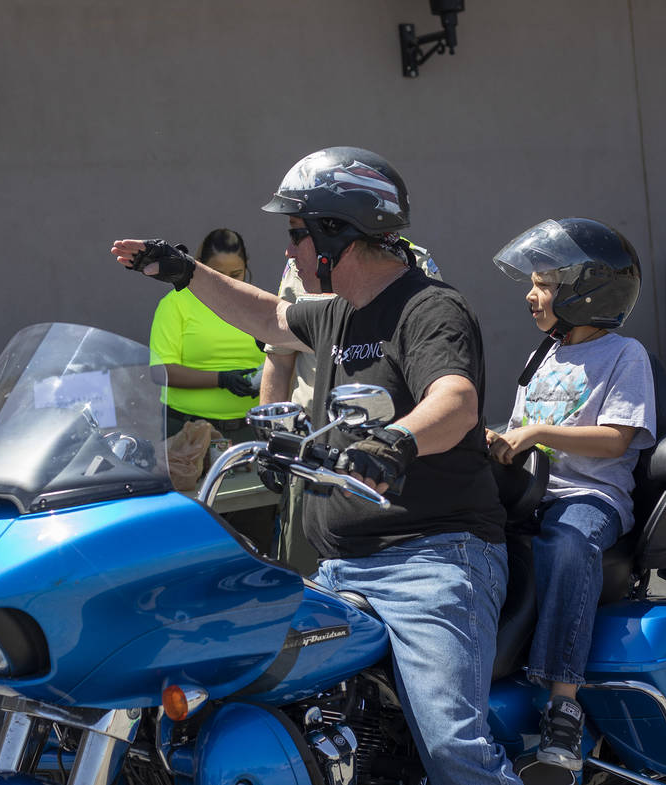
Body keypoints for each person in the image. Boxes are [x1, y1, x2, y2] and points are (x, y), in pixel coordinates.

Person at [113, 146, 518, 785]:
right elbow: (269, 317)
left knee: (451, 748)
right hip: (338, 566)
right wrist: (184, 271)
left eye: (297, 234)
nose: (289, 252)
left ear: (338, 233)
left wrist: (397, 441)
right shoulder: (334, 314)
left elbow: (455, 401)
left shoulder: (428, 307)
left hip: (434, 559)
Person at [484, 218, 656, 771]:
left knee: (565, 543)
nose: (533, 297)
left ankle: (563, 704)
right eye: (532, 284)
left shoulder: (624, 355)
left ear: (586, 292)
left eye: (544, 285)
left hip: (591, 497)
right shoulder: (544, 354)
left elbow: (616, 440)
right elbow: (519, 430)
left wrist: (537, 434)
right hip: (533, 492)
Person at [260, 240, 442, 575]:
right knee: (302, 580)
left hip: (381, 454)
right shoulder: (301, 264)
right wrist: (275, 437)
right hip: (311, 449)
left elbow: (431, 361)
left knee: (386, 576)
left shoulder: (414, 260)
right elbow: (279, 358)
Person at [149, 227, 272, 550]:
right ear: (199, 268)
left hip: (247, 434)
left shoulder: (257, 302)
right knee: (193, 530)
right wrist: (222, 379)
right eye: (216, 274)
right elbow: (160, 371)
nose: (228, 282)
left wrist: (262, 376)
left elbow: (282, 354)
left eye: (237, 273)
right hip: (190, 436)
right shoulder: (176, 304)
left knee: (253, 526)